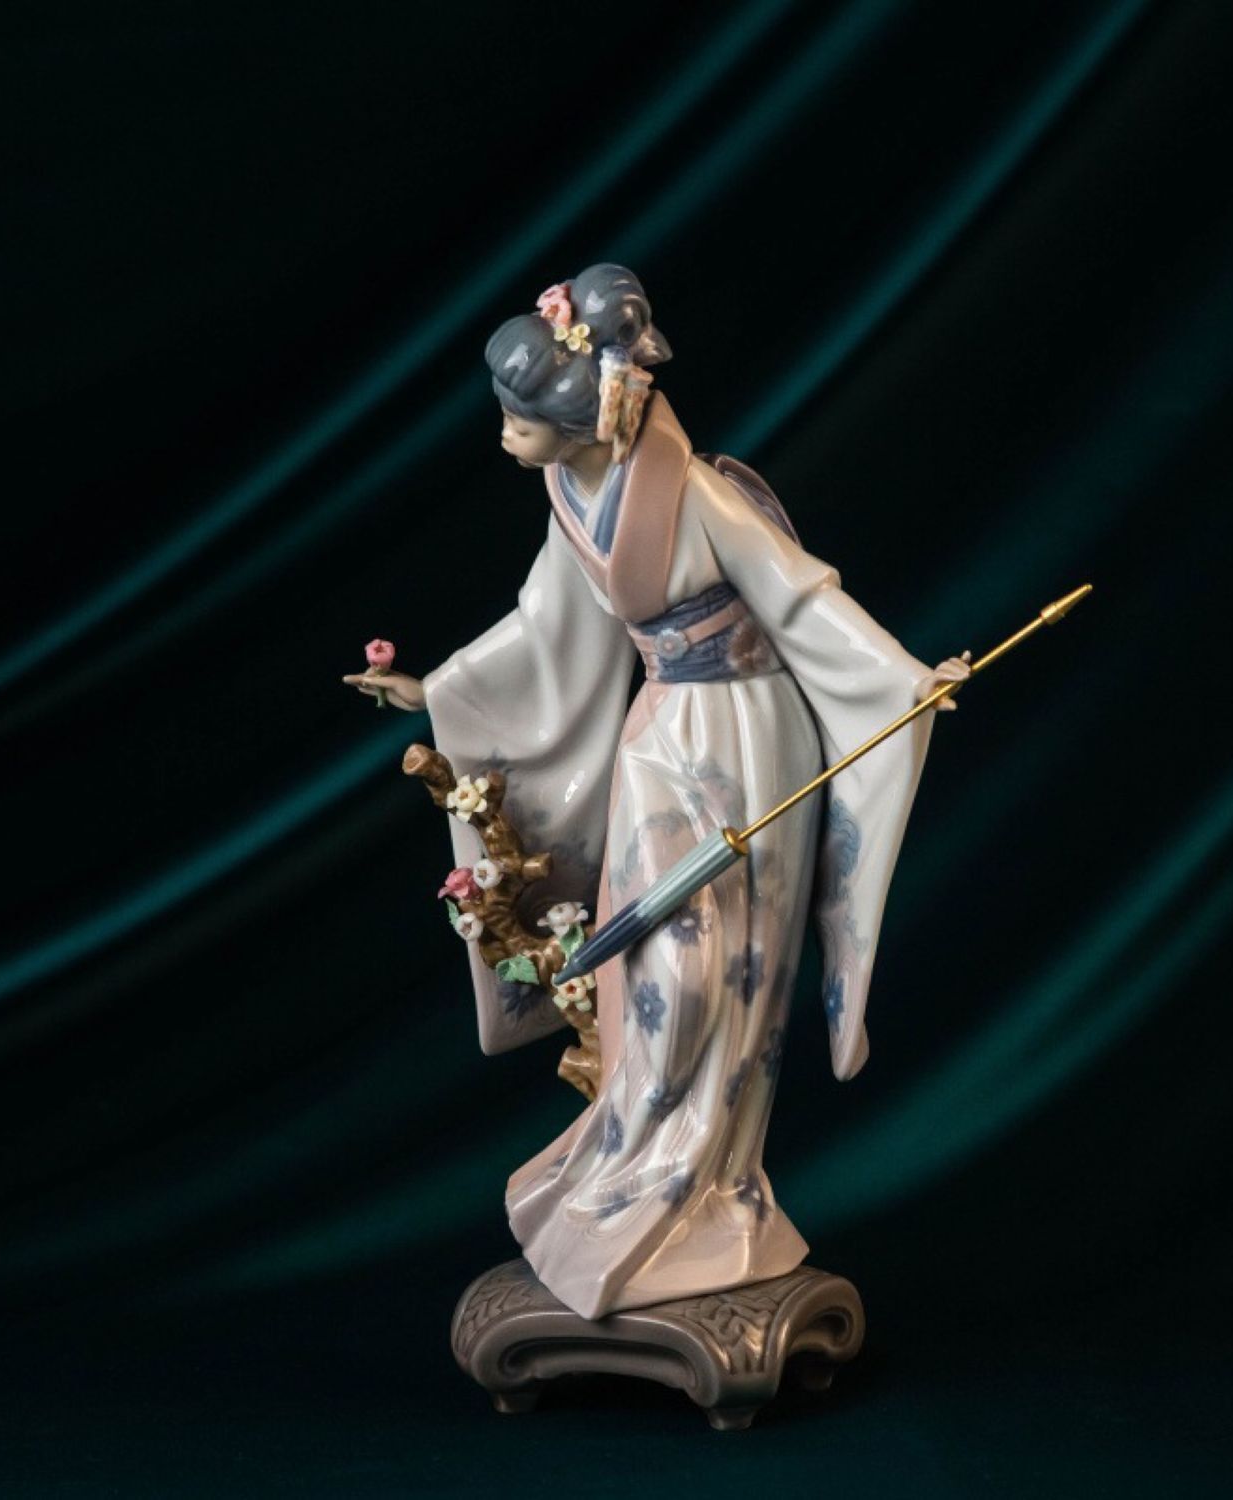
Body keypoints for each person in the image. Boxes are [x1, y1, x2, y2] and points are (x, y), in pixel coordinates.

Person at [343, 264, 969, 1319]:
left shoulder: (698, 492)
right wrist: (435, 689)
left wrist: (905, 683)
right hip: (659, 733)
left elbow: (799, 598)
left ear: (579, 419)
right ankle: (629, 1170)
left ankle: (710, 1189)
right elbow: (547, 628)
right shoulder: (571, 494)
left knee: (720, 963)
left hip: (746, 733)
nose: (504, 437)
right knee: (648, 959)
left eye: (518, 421)